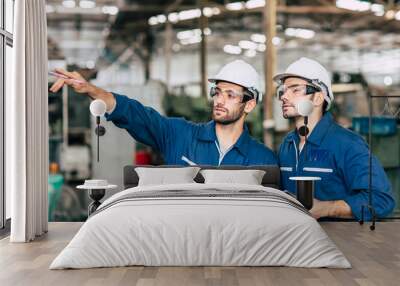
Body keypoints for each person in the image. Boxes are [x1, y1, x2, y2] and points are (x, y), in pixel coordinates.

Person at [50, 60, 277, 166]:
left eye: (230, 95)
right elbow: (135, 113)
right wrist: (91, 89)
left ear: (249, 104)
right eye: (217, 92)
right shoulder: (179, 135)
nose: (219, 100)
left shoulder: (263, 159)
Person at [274, 57, 395, 220]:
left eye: (295, 90)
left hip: (337, 241)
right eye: (283, 90)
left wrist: (327, 208)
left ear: (317, 98)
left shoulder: (348, 144)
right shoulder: (287, 144)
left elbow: (381, 200)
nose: (284, 96)